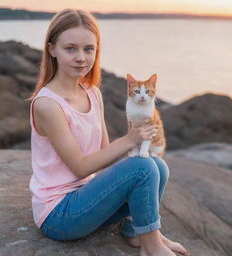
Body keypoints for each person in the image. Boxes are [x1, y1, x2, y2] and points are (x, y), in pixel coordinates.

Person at [27, 9, 188, 256]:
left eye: (88, 49)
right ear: (52, 50)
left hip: (88, 199)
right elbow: (80, 167)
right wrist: (131, 139)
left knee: (157, 165)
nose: (81, 57)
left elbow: (104, 154)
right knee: (142, 167)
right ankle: (153, 246)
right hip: (60, 215)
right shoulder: (48, 104)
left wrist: (137, 154)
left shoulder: (93, 93)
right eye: (70, 48)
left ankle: (139, 233)